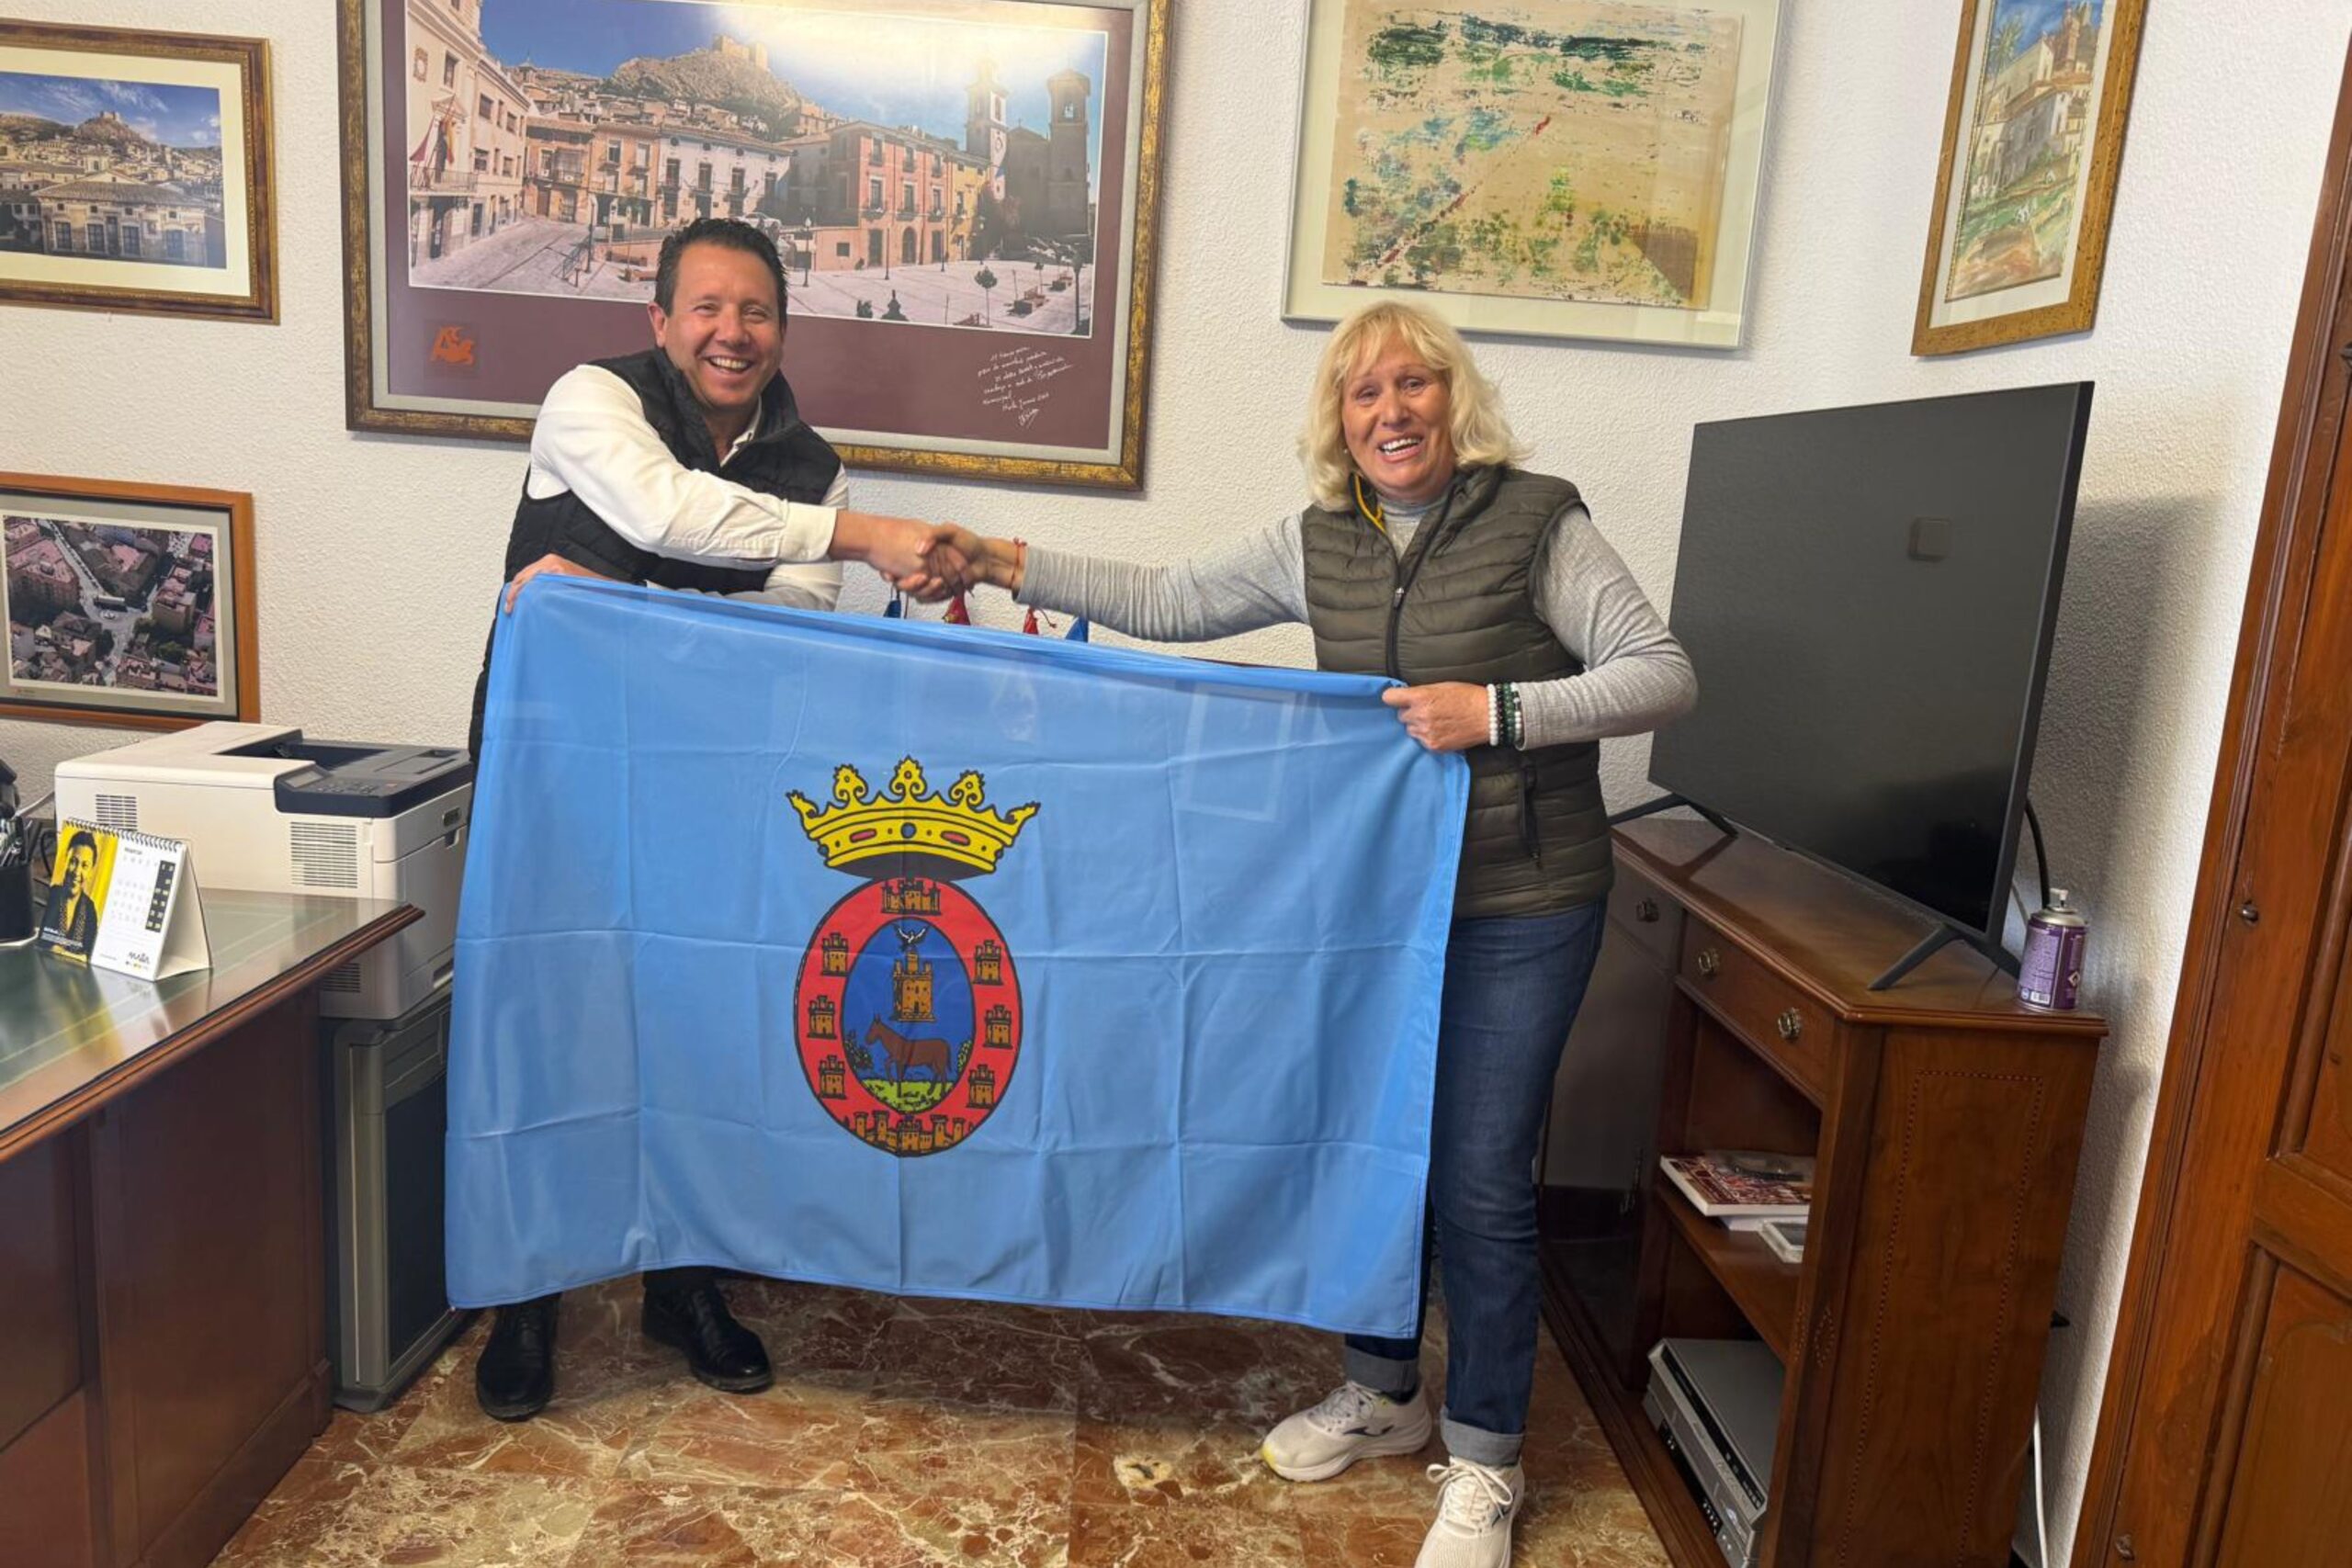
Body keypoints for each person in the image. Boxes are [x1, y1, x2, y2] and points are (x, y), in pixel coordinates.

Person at [919, 300, 1696, 1568]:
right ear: (1339, 419)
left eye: (1414, 383)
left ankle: (1487, 1460)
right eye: (1363, 391)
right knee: (1376, 1148)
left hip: (1524, 899)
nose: (1391, 410)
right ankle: (1385, 1394)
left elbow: (1661, 672)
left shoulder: (1538, 521)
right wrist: (1002, 561)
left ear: (1454, 397)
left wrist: (1495, 711)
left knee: (1479, 1175)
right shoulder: (1319, 538)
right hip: (1385, 907)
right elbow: (1166, 597)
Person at [466, 216, 965, 1423]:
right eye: (707, 307)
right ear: (661, 319)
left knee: (695, 1030)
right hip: (555, 772)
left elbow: (787, 633)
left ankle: (681, 1283)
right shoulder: (590, 399)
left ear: (781, 329)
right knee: (544, 1024)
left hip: (701, 786)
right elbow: (668, 513)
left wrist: (613, 603)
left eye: (756, 311)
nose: (731, 333)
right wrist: (858, 538)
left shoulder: (813, 465)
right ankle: (526, 1297)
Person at [46, 831, 99, 955]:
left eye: (85, 866)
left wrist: (60, 951)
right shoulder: (53, 895)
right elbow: (43, 943)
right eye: (73, 862)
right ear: (65, 861)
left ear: (91, 871)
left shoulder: (90, 910)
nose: (76, 872)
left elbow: (88, 954)